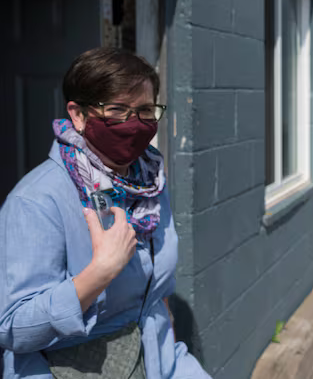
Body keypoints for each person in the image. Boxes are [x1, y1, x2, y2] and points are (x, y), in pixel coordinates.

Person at [0, 48, 209, 378]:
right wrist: (99, 273)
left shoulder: (149, 183)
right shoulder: (36, 200)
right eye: (116, 111)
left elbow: (156, 295)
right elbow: (13, 328)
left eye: (144, 110)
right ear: (79, 115)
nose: (133, 124)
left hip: (157, 361)